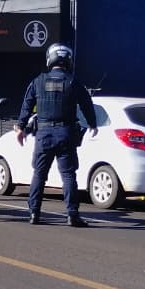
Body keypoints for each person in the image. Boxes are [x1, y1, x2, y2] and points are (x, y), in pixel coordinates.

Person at [15, 43, 98, 227]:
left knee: (39, 174)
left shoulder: (38, 81)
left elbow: (26, 105)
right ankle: (72, 215)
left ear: (49, 59)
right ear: (68, 60)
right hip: (65, 134)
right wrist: (93, 124)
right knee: (68, 175)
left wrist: (20, 127)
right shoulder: (73, 82)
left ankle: (34, 213)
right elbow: (87, 104)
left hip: (43, 134)